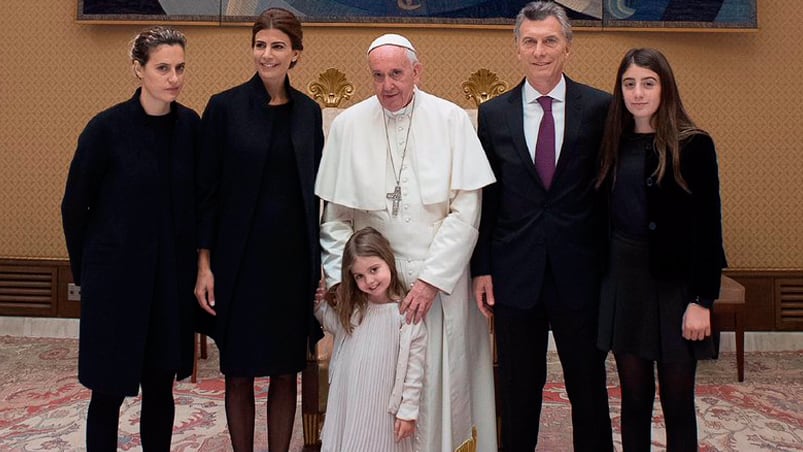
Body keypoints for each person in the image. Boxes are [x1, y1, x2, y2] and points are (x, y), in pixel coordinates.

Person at [315, 33, 498, 452]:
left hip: (436, 288)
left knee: (438, 391)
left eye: (396, 74)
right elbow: (335, 220)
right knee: (373, 402)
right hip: (373, 296)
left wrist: (431, 280)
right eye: (378, 76)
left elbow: (467, 211)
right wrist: (347, 284)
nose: (387, 85)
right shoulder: (347, 126)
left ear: (417, 71)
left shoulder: (450, 120)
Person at [470, 2, 614, 451]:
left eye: (550, 40)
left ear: (568, 46)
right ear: (517, 48)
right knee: (517, 392)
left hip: (581, 274)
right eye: (529, 41)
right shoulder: (494, 115)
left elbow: (609, 195)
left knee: (588, 390)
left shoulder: (600, 108)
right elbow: (485, 199)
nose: (539, 50)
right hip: (516, 274)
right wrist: (482, 268)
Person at [61, 26, 199, 451]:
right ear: (138, 69)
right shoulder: (106, 129)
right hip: (115, 284)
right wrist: (90, 273)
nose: (173, 78)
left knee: (161, 389)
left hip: (169, 285)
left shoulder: (191, 127)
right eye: (162, 68)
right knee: (107, 391)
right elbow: (73, 207)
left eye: (179, 68)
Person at [193, 8, 324, 452]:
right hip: (238, 262)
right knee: (240, 371)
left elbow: (317, 194)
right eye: (260, 45)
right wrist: (204, 263)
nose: (267, 55)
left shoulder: (309, 113)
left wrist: (321, 266)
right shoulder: (224, 107)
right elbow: (206, 194)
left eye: (278, 46)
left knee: (287, 370)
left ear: (296, 55)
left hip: (291, 264)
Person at [595, 47, 726, 451]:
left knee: (677, 400)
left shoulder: (694, 144)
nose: (638, 93)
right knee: (633, 399)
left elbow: (708, 228)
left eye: (648, 83)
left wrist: (702, 300)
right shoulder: (610, 143)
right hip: (624, 282)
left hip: (676, 289)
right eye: (629, 83)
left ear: (665, 87)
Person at [314, 227, 427, 452]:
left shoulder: (405, 315)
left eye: (374, 270)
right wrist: (319, 304)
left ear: (388, 261)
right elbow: (330, 321)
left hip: (384, 409)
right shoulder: (354, 311)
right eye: (360, 276)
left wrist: (408, 411)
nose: (370, 281)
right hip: (350, 401)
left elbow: (415, 369)